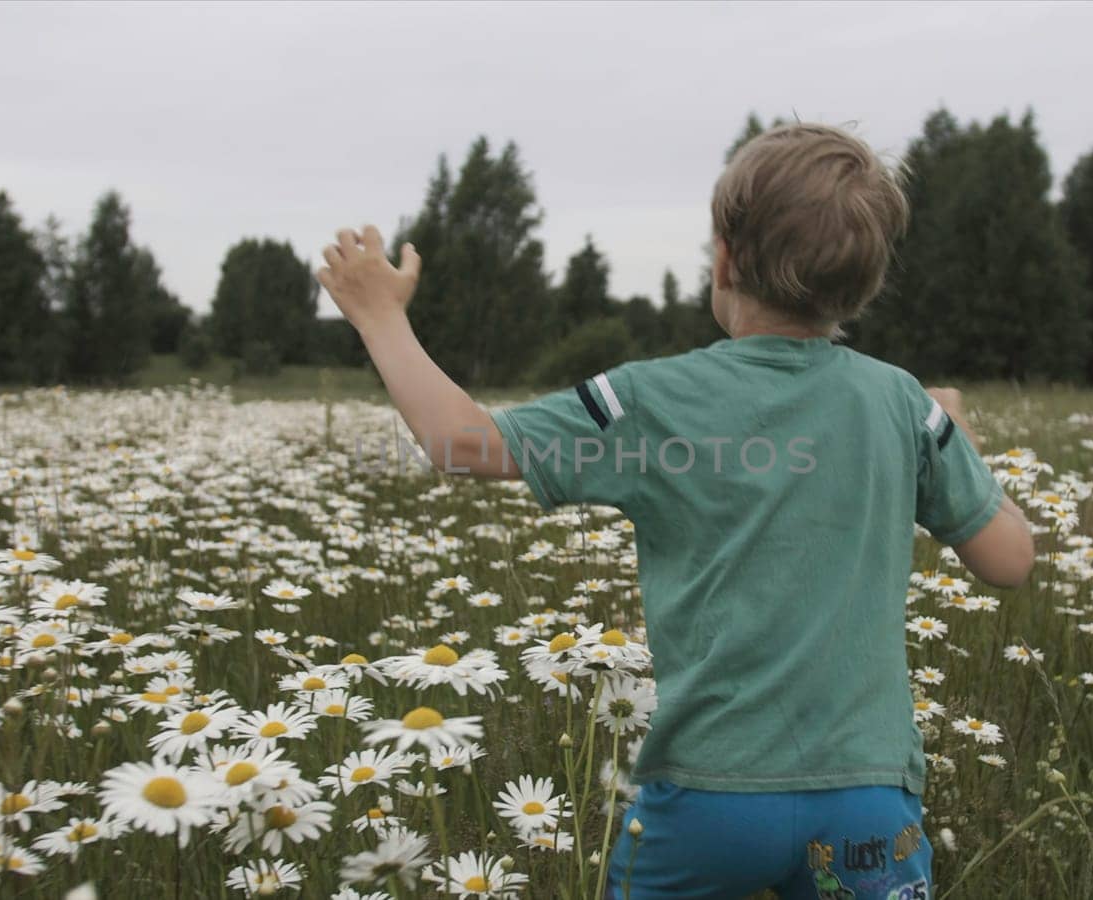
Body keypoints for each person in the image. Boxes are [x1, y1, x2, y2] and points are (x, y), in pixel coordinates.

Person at [316, 121, 1035, 900]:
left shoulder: (649, 401)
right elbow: (1009, 560)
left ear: (723, 257)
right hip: (868, 800)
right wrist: (951, 431)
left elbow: (462, 444)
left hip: (706, 798)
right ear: (863, 282)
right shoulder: (901, 403)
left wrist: (380, 316)